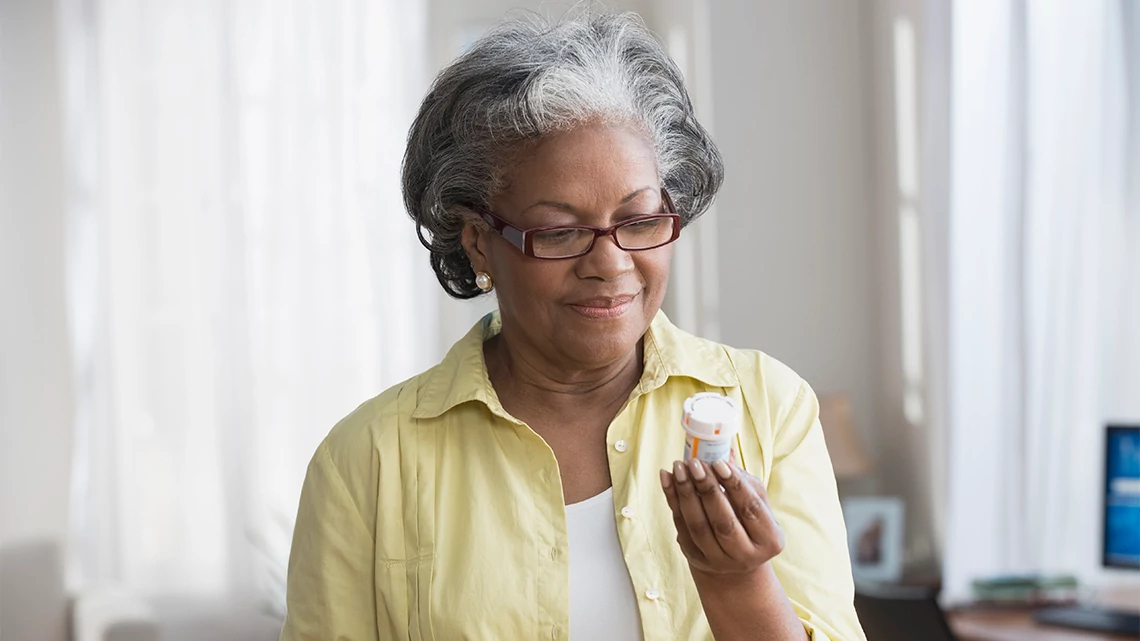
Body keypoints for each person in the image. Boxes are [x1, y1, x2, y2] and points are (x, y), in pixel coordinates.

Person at [281, 11, 866, 641]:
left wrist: (737, 584)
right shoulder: (366, 461)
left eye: (639, 221)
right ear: (479, 243)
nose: (610, 264)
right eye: (560, 232)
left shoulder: (767, 410)